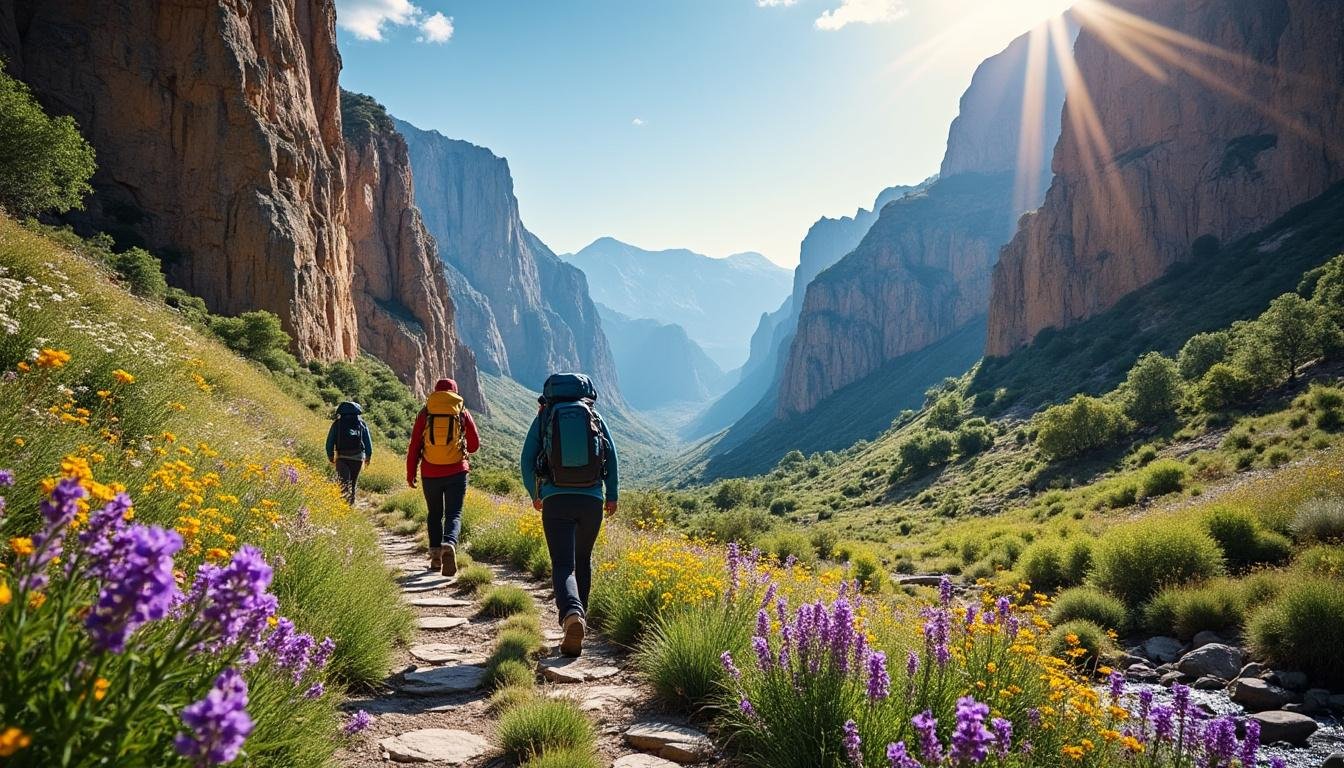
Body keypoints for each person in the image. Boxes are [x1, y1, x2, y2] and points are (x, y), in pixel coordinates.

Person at [520, 372, 618, 657]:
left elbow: (527, 460)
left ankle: (571, 615)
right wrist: (611, 495)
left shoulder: (545, 417)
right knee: (582, 560)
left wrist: (535, 493)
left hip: (556, 499)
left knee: (563, 564)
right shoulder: (594, 417)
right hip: (591, 501)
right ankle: (579, 624)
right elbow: (611, 457)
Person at [407, 378, 479, 576]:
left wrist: (410, 472)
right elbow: (474, 445)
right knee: (453, 513)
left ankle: (436, 557)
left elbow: (414, 444)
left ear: (436, 392)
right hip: (457, 471)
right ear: (455, 392)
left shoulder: (425, 411)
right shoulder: (461, 411)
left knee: (434, 514)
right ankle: (449, 542)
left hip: (430, 472)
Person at [326, 401, 372, 505]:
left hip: (342, 457)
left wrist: (330, 456)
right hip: (358, 457)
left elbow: (330, 441)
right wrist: (368, 456)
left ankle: (343, 506)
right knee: (353, 482)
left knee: (343, 483)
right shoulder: (361, 424)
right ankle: (351, 504)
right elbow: (368, 442)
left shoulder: (337, 424)